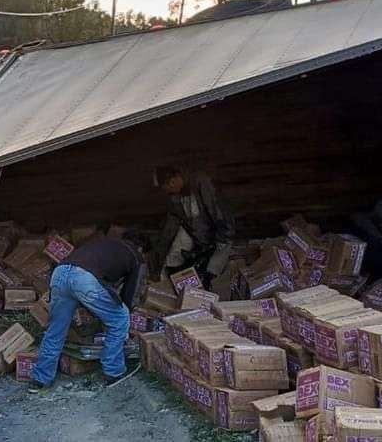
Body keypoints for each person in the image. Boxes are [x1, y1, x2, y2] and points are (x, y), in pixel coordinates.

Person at [28, 233, 148, 390]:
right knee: (120, 318)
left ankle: (39, 380)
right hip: (84, 279)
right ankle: (114, 372)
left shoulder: (105, 242)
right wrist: (121, 312)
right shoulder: (136, 256)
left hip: (60, 273)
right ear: (141, 248)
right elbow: (131, 295)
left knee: (56, 330)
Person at [154, 166, 234, 286]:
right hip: (194, 231)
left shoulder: (201, 183)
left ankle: (209, 283)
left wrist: (222, 236)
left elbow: (216, 210)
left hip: (218, 229)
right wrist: (160, 251)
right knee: (175, 252)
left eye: (168, 188)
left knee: (213, 266)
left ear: (173, 181)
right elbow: (171, 226)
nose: (169, 193)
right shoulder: (175, 198)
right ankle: (165, 283)